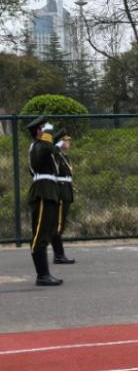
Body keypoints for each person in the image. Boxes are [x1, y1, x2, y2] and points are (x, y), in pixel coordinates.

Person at [26, 115, 63, 286]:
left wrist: (54, 137)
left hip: (49, 192)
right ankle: (42, 275)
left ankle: (45, 274)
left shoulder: (42, 146)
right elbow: (48, 149)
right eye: (43, 128)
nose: (48, 132)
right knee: (39, 235)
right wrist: (49, 135)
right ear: (38, 131)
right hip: (42, 192)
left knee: (45, 233)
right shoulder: (38, 146)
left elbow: (52, 149)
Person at [51, 128, 76, 265]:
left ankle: (59, 254)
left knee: (60, 225)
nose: (68, 143)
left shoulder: (64, 157)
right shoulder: (56, 155)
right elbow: (52, 151)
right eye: (66, 141)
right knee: (58, 225)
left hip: (66, 192)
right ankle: (59, 255)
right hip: (60, 192)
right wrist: (57, 143)